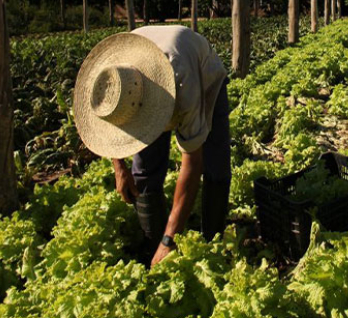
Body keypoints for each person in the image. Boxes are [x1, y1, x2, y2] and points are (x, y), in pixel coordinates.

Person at [73, 25, 231, 267]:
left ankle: (212, 243)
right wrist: (120, 168)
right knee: (144, 172)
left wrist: (170, 238)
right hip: (145, 78)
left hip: (201, 74)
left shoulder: (184, 84)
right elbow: (112, 123)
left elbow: (193, 163)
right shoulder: (112, 78)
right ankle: (153, 247)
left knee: (215, 165)